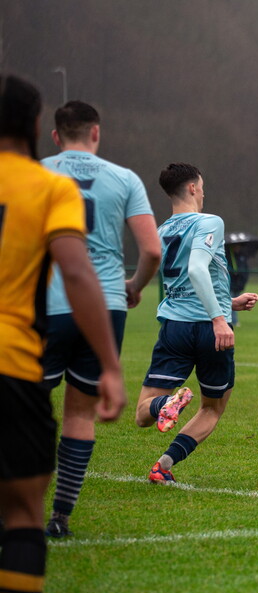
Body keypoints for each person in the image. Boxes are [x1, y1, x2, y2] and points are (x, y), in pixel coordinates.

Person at [0, 74, 125, 593]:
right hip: (13, 365)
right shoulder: (49, 189)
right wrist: (113, 366)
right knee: (22, 515)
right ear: (34, 128)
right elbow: (76, 273)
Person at [40, 100, 161, 539]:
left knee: (22, 411)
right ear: (96, 133)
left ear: (55, 136)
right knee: (80, 415)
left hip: (46, 302)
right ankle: (60, 518)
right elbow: (151, 251)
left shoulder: (35, 173)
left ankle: (11, 511)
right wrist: (134, 286)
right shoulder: (124, 178)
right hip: (105, 304)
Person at [133, 163, 258, 484]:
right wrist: (220, 318)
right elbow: (197, 271)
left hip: (174, 327)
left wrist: (229, 303)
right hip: (209, 329)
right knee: (212, 409)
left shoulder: (160, 232)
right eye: (201, 187)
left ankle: (165, 412)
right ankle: (164, 463)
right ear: (192, 188)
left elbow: (181, 287)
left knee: (142, 413)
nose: (203, 193)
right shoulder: (210, 222)